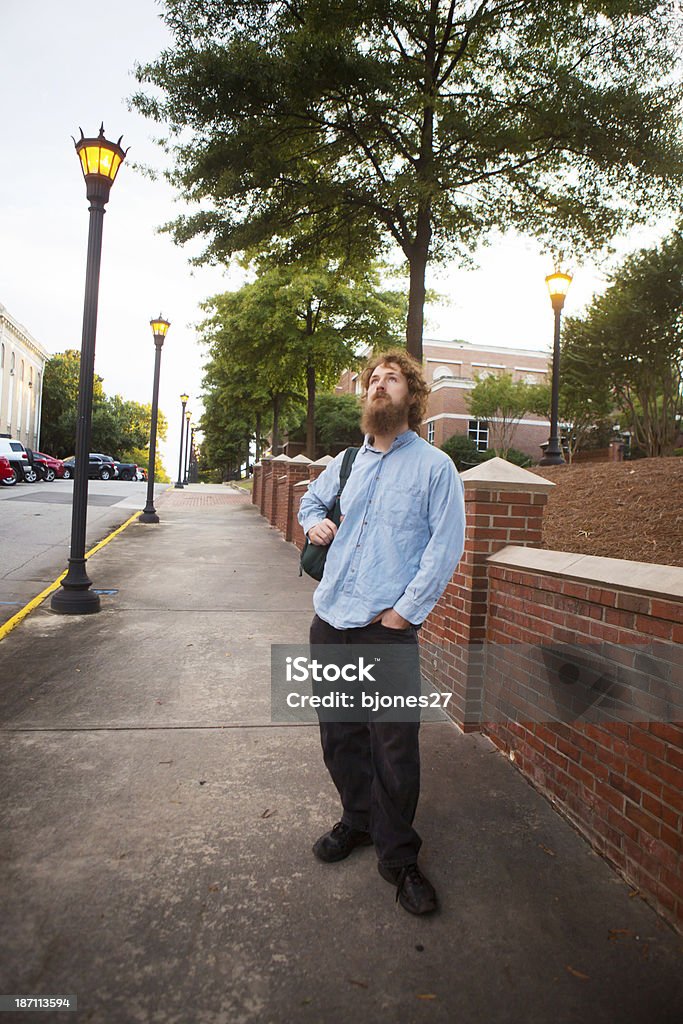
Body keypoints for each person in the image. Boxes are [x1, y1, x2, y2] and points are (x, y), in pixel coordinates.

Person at [298, 349, 466, 915]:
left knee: (394, 748)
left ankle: (398, 858)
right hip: (330, 622)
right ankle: (358, 820)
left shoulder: (435, 469)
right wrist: (313, 521)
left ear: (411, 396)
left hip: (384, 632)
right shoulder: (348, 461)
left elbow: (444, 549)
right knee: (339, 735)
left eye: (390, 379)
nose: (378, 386)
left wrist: (403, 615)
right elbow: (310, 500)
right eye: (372, 379)